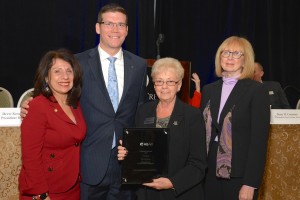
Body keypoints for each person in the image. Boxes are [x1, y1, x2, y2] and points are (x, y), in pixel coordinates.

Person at [21, 3, 147, 200]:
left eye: (121, 24)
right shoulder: (77, 63)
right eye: (109, 23)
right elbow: (58, 95)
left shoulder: (139, 65)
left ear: (127, 30)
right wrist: (29, 103)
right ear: (98, 28)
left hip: (126, 166)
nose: (115, 29)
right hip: (88, 167)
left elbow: (140, 110)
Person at [118, 57, 207, 200]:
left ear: (179, 85)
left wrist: (173, 183)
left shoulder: (192, 116)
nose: (164, 86)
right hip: (147, 193)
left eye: (170, 81)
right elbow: (140, 150)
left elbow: (198, 164)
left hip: (180, 193)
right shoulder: (143, 111)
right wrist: (127, 152)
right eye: (159, 81)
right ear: (154, 85)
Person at [200, 36, 270, 200]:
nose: (230, 57)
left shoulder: (256, 91)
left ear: (246, 60)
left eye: (236, 53)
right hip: (207, 173)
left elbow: (258, 142)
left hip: (238, 176)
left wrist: (250, 183)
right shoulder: (209, 89)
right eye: (226, 53)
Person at [18, 49, 86, 200]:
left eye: (69, 71)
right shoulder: (37, 106)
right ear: (46, 78)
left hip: (72, 187)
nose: (65, 76)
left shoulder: (76, 105)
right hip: (45, 190)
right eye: (57, 71)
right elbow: (30, 157)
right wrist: (41, 194)